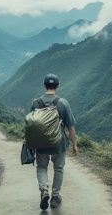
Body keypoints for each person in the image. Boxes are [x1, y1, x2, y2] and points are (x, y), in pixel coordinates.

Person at [30, 73, 79, 210]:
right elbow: (71, 127)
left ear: (44, 85)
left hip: (41, 143)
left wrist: (29, 143)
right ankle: (55, 197)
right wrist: (74, 145)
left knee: (41, 167)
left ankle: (44, 189)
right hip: (59, 143)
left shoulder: (36, 102)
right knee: (58, 169)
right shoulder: (63, 103)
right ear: (57, 86)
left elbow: (30, 126)